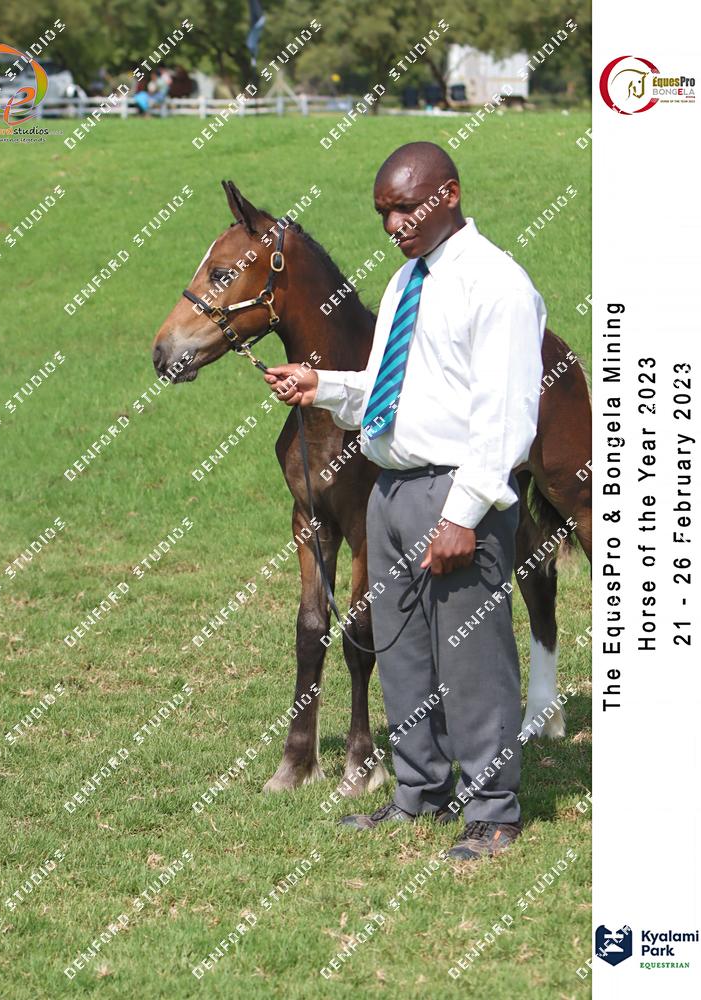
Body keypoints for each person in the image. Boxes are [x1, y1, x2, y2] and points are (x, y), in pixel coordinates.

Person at [265, 142, 546, 861]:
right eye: (382, 213)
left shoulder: (496, 285)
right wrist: (323, 387)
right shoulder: (405, 282)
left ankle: (493, 811)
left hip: (456, 492)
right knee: (401, 653)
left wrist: (462, 515)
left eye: (405, 208)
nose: (393, 225)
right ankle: (419, 791)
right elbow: (396, 386)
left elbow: (507, 416)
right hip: (389, 489)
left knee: (472, 658)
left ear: (449, 193)